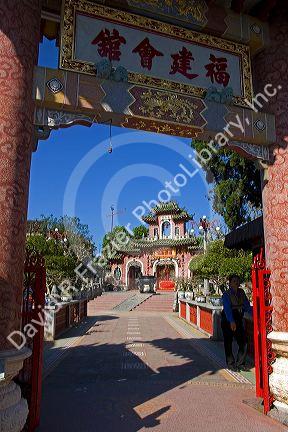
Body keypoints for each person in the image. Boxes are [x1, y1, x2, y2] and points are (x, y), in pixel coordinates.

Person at [221, 274, 252, 371]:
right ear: (230, 283)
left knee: (243, 341)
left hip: (239, 317)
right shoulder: (226, 294)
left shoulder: (241, 292)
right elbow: (227, 309)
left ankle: (240, 363)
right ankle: (231, 364)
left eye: (238, 281)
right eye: (234, 281)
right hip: (228, 318)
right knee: (228, 342)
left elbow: (246, 305)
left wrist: (254, 314)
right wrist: (231, 321)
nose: (236, 283)